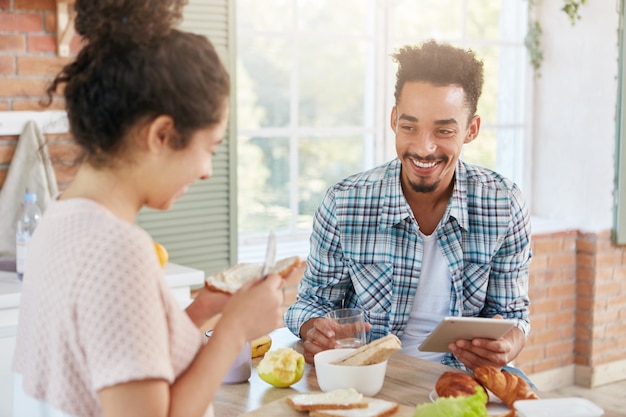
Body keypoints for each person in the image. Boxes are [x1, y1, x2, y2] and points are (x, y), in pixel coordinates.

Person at [12, 2, 284, 417]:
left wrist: (202, 312)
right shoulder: (118, 250)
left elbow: (115, 356)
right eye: (209, 148)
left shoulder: (61, 216)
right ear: (161, 134)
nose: (208, 172)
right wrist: (235, 330)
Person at [284, 40, 532, 378]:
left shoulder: (503, 203)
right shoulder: (345, 203)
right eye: (409, 127)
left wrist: (509, 343)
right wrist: (314, 328)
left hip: (466, 378)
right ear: (393, 119)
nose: (424, 148)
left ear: (471, 130)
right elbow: (309, 304)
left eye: (444, 130)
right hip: (370, 376)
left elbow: (514, 316)